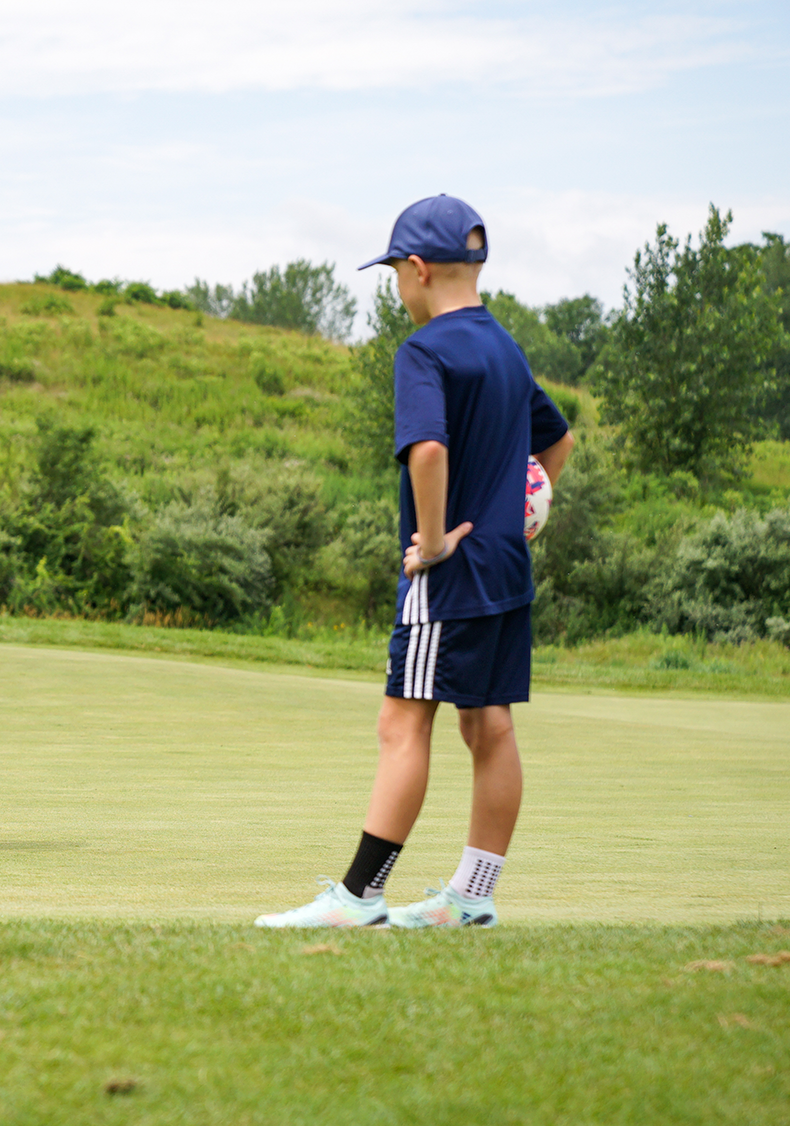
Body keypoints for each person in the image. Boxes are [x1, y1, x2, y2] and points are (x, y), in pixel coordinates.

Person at [258, 195, 575, 928]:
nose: (399, 288)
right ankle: (472, 895)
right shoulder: (504, 347)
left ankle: (361, 897)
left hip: (450, 571)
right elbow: (554, 443)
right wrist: (522, 510)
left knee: (402, 723)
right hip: (504, 568)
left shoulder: (426, 350)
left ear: (418, 268)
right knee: (488, 726)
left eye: (397, 273)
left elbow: (428, 449)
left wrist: (431, 544)